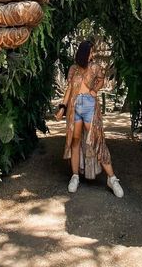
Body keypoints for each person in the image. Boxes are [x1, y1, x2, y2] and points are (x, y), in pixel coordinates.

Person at [55, 40, 124, 198]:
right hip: (74, 107)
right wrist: (62, 107)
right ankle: (75, 176)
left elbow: (101, 79)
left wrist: (94, 90)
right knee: (75, 141)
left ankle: (112, 179)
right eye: (90, 52)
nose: (92, 55)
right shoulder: (73, 68)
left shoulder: (95, 67)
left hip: (89, 106)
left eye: (93, 53)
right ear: (83, 53)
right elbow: (69, 89)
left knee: (97, 140)